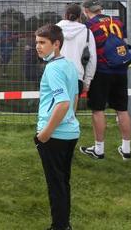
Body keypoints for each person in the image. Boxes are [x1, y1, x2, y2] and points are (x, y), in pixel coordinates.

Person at [33, 24, 80, 230]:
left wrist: (44, 134)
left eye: (43, 42)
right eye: (36, 42)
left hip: (55, 136)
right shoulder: (69, 65)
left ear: (56, 44)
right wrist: (70, 119)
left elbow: (63, 103)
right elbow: (75, 96)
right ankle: (64, 225)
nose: (38, 46)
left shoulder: (53, 68)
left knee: (56, 185)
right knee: (63, 183)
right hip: (70, 132)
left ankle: (59, 226)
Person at [78, 0, 131, 161]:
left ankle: (99, 149)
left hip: (101, 71)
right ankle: (126, 149)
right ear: (100, 9)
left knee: (98, 110)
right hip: (121, 70)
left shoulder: (89, 25)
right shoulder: (117, 21)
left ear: (85, 10)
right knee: (122, 110)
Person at [56, 3, 97, 111]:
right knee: (70, 114)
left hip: (56, 75)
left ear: (65, 15)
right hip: (76, 77)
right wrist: (87, 81)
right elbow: (92, 59)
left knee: (54, 112)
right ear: (80, 16)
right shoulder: (87, 32)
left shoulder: (54, 30)